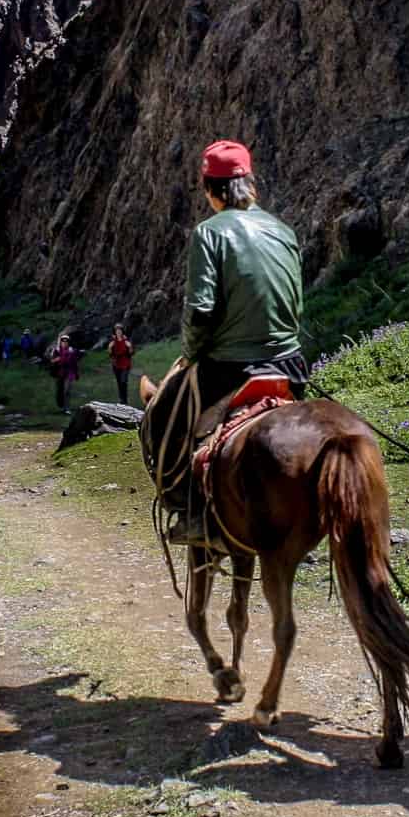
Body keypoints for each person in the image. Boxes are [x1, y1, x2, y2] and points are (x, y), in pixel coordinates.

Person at [165, 139, 307, 543]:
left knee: (168, 425)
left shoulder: (208, 233)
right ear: (250, 183)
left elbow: (201, 309)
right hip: (290, 364)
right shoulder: (283, 230)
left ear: (210, 189)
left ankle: (193, 514)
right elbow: (296, 302)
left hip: (230, 368)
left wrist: (191, 354)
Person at [48, 333, 81, 413]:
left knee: (67, 391)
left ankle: (67, 408)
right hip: (60, 373)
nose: (64, 343)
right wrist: (56, 360)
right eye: (63, 342)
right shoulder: (56, 350)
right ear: (61, 342)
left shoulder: (71, 351)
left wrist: (76, 373)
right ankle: (61, 405)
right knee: (60, 390)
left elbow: (74, 363)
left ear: (68, 343)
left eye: (66, 342)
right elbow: (51, 361)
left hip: (69, 373)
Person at [107, 324, 135, 405]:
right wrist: (109, 348)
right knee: (119, 382)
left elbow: (131, 353)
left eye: (120, 330)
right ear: (115, 332)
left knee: (124, 381)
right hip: (116, 365)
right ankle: (121, 399)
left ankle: (125, 399)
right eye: (117, 331)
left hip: (125, 364)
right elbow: (110, 354)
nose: (118, 332)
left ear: (122, 331)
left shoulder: (126, 340)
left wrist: (130, 347)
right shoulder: (112, 341)